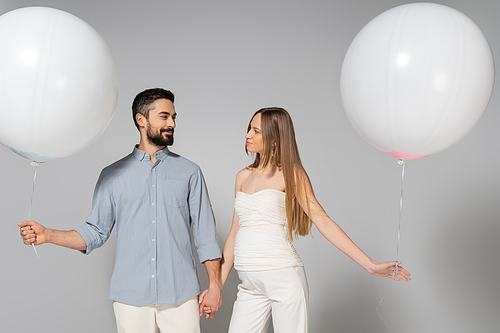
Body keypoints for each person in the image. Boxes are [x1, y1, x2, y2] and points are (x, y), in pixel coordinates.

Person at [18, 88, 223, 333]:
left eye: (174, 117)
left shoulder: (190, 172)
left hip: (181, 294)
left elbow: (206, 236)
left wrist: (215, 286)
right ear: (141, 120)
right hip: (130, 296)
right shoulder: (112, 176)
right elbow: (95, 232)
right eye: (164, 117)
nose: (172, 124)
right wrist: (48, 235)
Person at [201, 107, 411, 333]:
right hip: (250, 285)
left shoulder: (291, 173)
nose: (247, 135)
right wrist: (217, 287)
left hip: (283, 278)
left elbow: (322, 220)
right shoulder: (242, 176)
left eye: (256, 131)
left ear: (274, 140)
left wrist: (370, 265)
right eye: (249, 129)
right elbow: (235, 233)